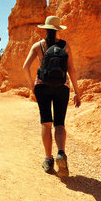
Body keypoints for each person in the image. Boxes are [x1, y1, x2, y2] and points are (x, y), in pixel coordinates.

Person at [23, 15, 81, 176]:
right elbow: (72, 70)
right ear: (58, 30)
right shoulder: (65, 46)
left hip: (42, 86)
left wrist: (32, 87)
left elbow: (25, 67)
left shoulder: (38, 46)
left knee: (46, 123)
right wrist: (77, 92)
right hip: (62, 87)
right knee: (60, 123)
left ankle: (48, 160)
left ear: (45, 28)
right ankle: (61, 153)